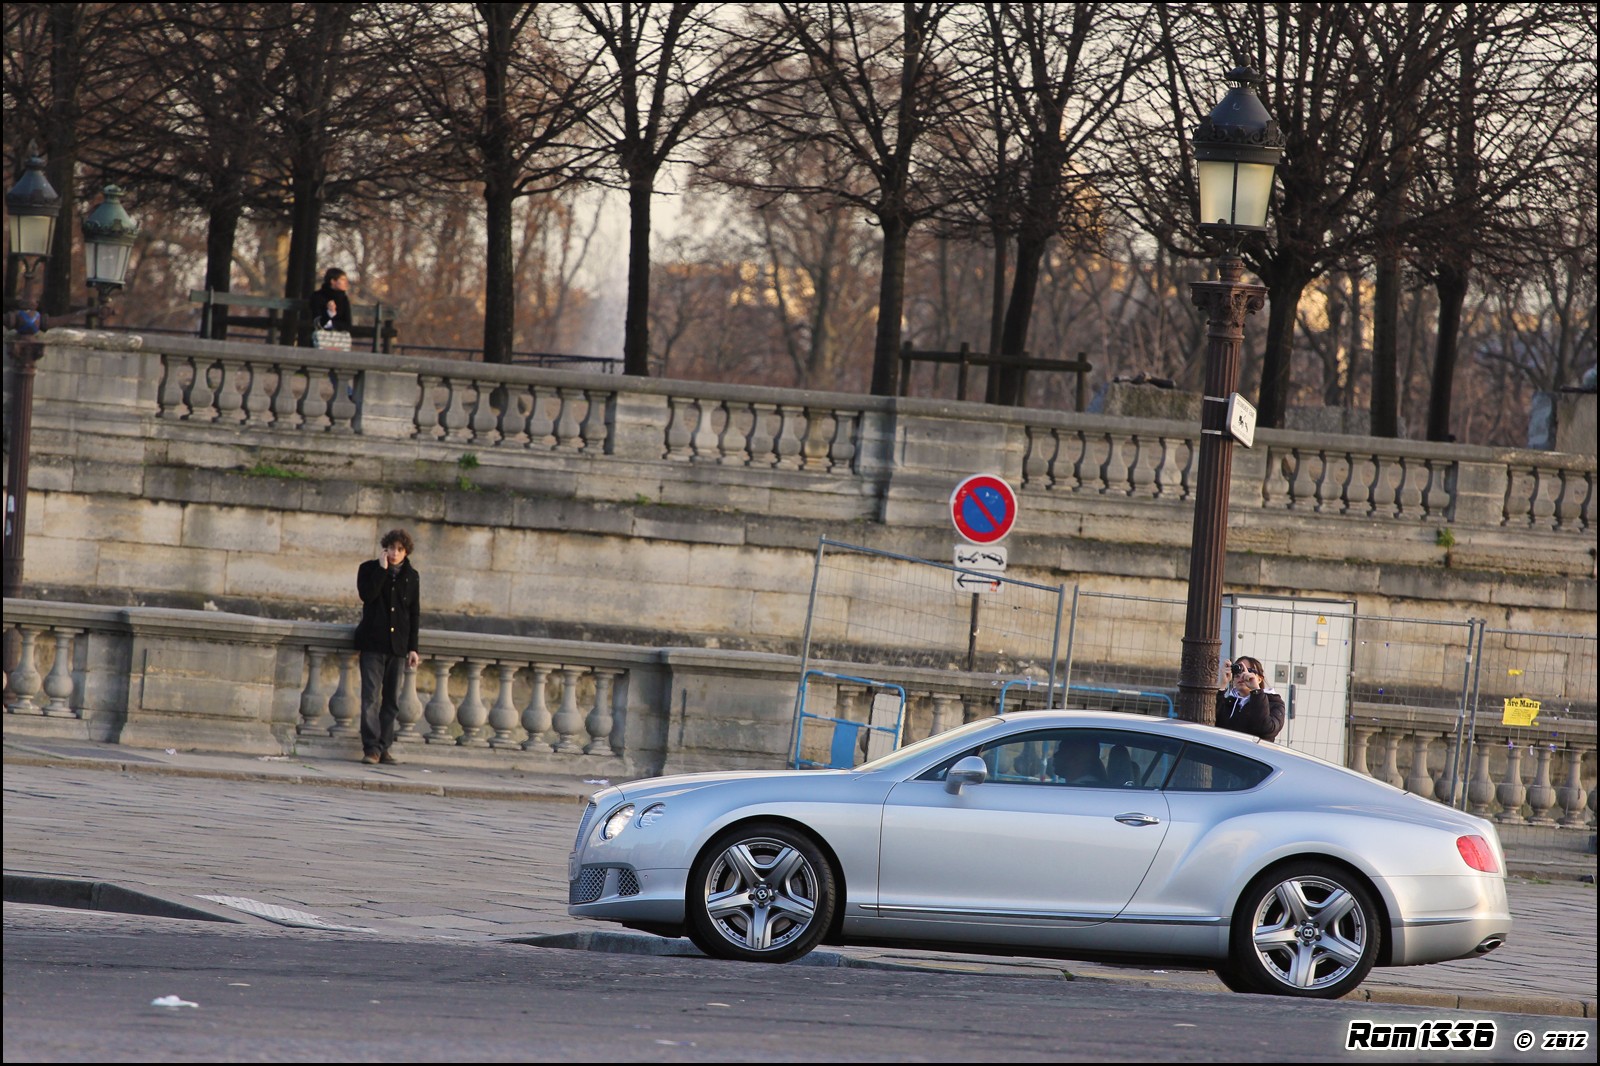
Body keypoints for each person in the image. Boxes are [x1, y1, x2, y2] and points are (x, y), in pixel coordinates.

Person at [355, 528, 420, 764]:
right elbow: (367, 595)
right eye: (391, 548)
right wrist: (381, 571)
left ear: (406, 552)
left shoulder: (412, 576)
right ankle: (371, 748)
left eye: (399, 550)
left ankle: (383, 747)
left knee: (391, 701)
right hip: (373, 643)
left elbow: (414, 613)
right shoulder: (368, 569)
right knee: (370, 698)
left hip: (397, 646)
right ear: (385, 548)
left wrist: (413, 648)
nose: (394, 553)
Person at [1217, 655, 1285, 741]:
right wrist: (1222, 685)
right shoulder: (1229, 702)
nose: (1241, 675)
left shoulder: (1274, 702)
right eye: (1237, 670)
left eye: (1249, 671)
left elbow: (1266, 729)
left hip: (1253, 749)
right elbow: (1210, 722)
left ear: (1259, 679)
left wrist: (1256, 691)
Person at [315, 268, 353, 332]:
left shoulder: (344, 299)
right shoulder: (318, 296)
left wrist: (332, 324)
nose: (346, 282)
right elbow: (317, 321)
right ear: (333, 281)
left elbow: (348, 324)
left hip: (339, 335)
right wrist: (329, 313)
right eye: (343, 279)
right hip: (319, 335)